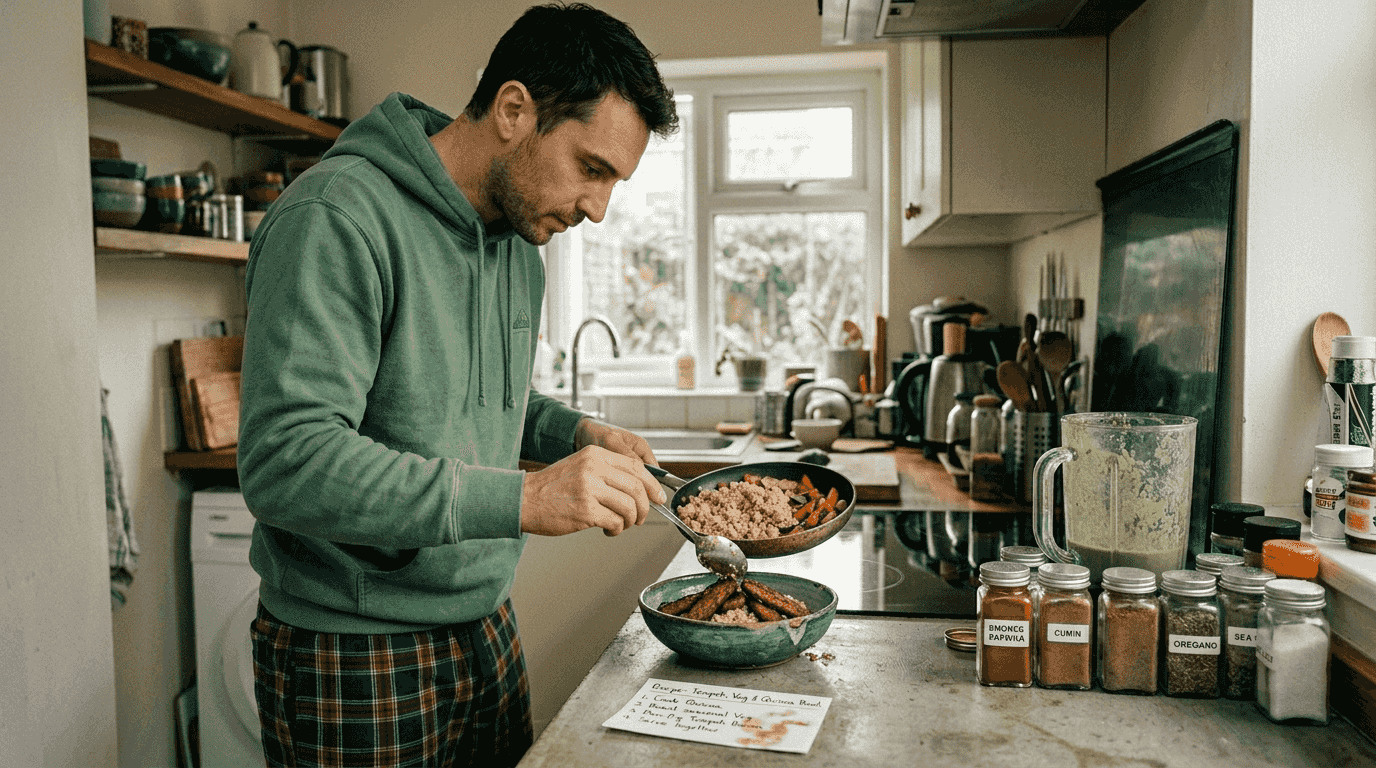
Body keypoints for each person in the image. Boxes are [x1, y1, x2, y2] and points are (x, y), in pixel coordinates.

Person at [235, 4, 679, 766]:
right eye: (592, 167)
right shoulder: (338, 216)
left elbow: (467, 398)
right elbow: (288, 461)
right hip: (353, 649)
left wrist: (570, 433)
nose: (598, 210)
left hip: (484, 626)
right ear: (514, 110)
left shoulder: (519, 246)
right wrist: (528, 498)